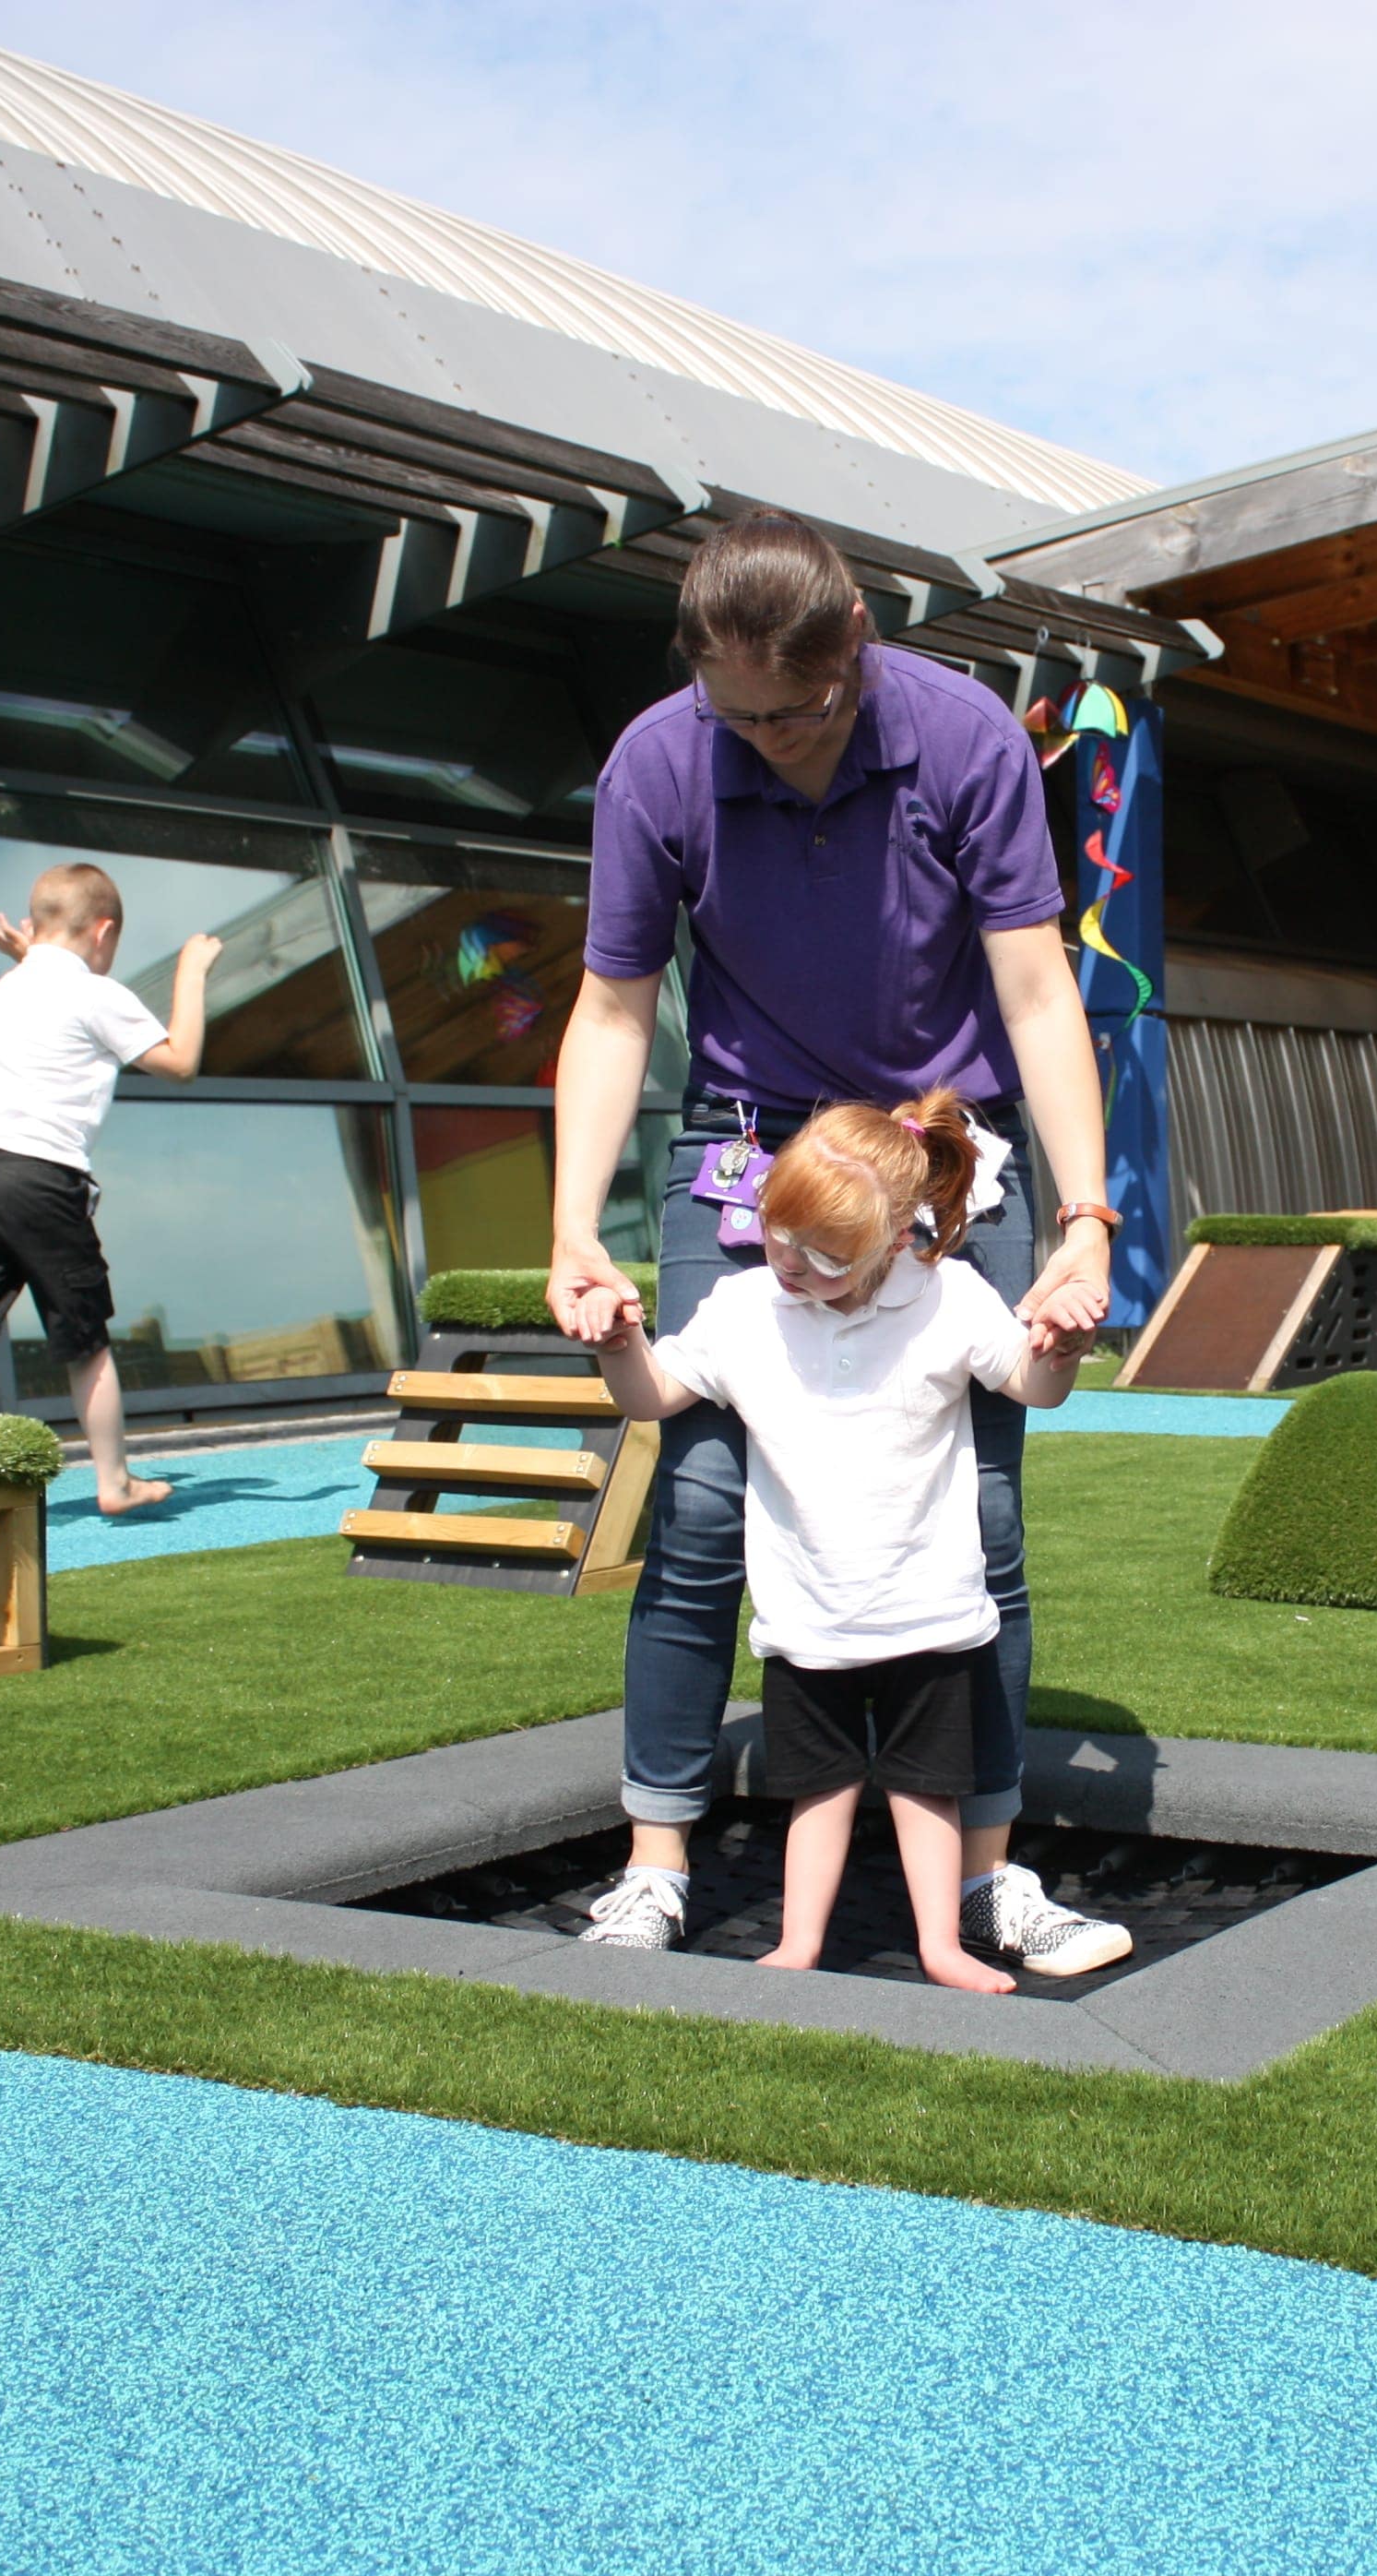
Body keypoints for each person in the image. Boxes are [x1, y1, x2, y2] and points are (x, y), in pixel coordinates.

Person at [546, 507, 1130, 1976]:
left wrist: (1085, 1219)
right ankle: (657, 1862)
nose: (771, 741)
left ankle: (989, 1874)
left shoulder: (969, 741)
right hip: (748, 1144)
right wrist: (571, 1227)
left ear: (855, 644)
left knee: (979, 1517)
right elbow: (614, 1011)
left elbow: (1040, 993)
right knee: (692, 1512)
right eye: (736, 714)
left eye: (797, 711)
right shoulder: (660, 763)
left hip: (941, 1142)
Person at [593, 1092, 1082, 1992]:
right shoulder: (745, 1309)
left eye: (824, 1255)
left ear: (898, 1237)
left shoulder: (948, 1298)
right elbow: (654, 1393)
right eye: (782, 1236)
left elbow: (1030, 1383)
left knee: (927, 1791)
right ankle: (799, 1943)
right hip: (805, 1618)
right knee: (814, 1791)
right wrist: (620, 1342)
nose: (792, 1265)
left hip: (930, 1613)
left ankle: (943, 1944)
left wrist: (1062, 1347)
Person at [0, 862, 219, 1514]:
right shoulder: (96, 993)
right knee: (84, 1340)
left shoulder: (10, 985)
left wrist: (29, 950)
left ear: (36, 927)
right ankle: (114, 1484)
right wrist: (190, 974)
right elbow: (180, 1062)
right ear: (105, 932)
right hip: (37, 1176)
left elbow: (48, 974)